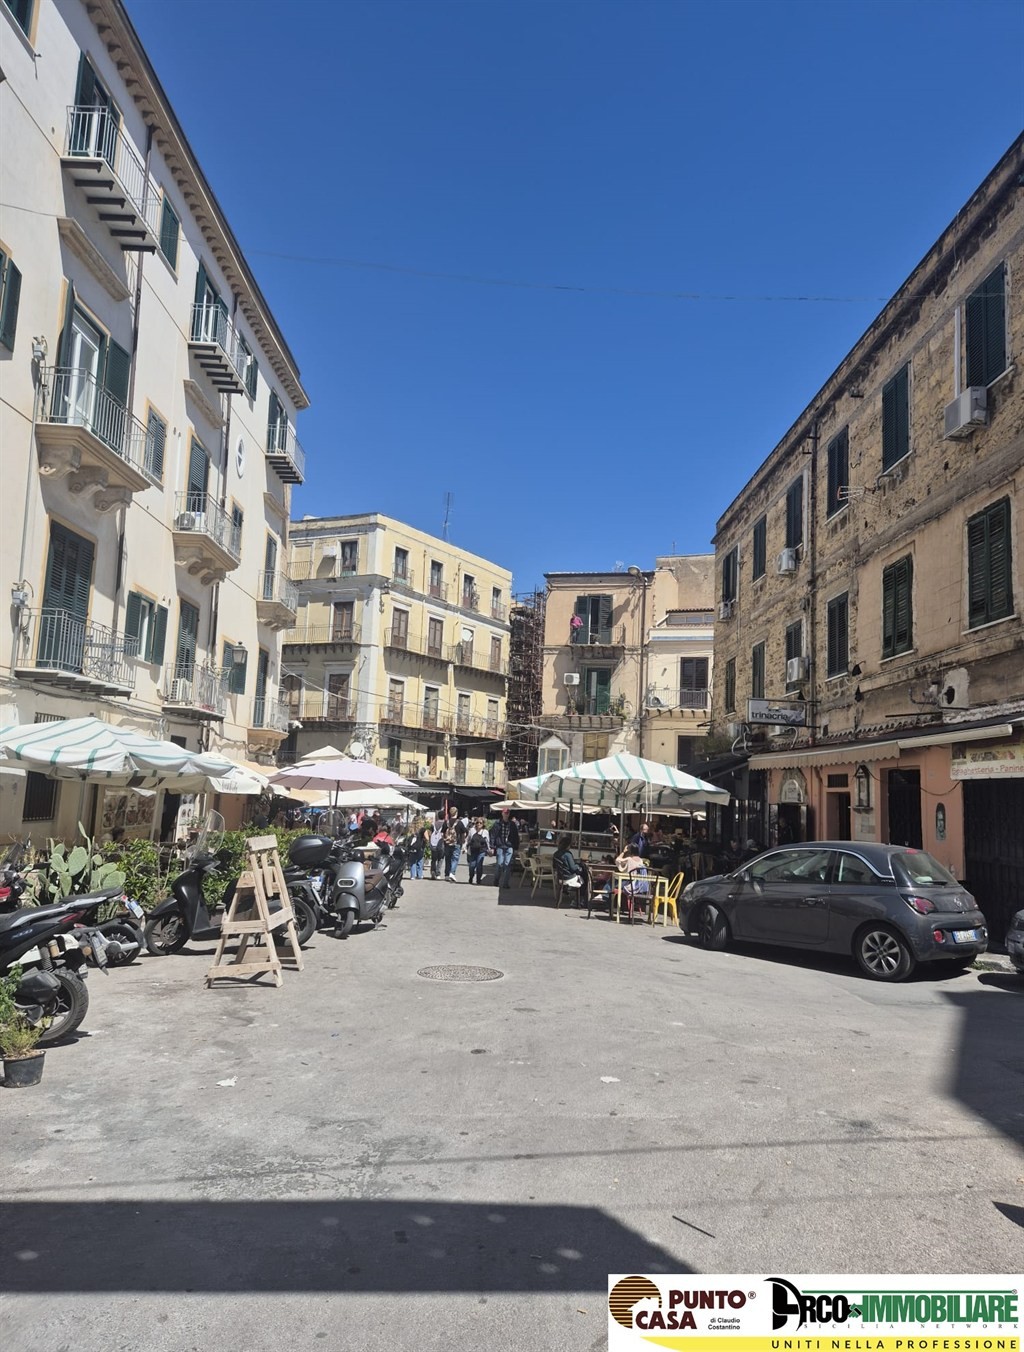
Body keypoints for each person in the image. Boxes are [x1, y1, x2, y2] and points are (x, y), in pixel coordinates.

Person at [490, 808, 520, 889]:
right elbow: (493, 835)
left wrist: (516, 847)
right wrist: (492, 846)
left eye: (507, 813)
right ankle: (496, 880)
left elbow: (516, 836)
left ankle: (505, 883)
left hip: (509, 846)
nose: (506, 814)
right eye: (505, 813)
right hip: (500, 846)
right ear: (502, 813)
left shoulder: (512, 824)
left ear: (509, 814)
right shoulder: (497, 823)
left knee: (507, 864)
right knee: (499, 864)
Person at [552, 834, 585, 904]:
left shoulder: (556, 854)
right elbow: (572, 868)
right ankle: (581, 899)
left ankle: (565, 891)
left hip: (560, 877)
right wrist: (578, 866)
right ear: (568, 845)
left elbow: (554, 866)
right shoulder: (568, 854)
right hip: (569, 877)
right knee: (584, 876)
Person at [443, 808, 467, 881]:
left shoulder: (446, 822)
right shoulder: (459, 822)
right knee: (455, 859)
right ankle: (452, 873)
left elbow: (443, 833)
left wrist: (445, 840)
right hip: (456, 843)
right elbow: (464, 833)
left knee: (447, 859)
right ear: (456, 812)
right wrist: (463, 842)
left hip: (447, 843)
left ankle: (447, 874)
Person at [466, 818, 490, 885]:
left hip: (481, 851)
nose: (478, 824)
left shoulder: (485, 832)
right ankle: (471, 877)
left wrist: (489, 849)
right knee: (472, 866)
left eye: (480, 823)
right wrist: (465, 847)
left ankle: (478, 879)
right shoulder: (472, 830)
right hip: (473, 851)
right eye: (477, 823)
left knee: (479, 865)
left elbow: (487, 841)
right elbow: (468, 839)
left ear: (483, 824)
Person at [429, 815, 445, 879]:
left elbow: (429, 833)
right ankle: (438, 873)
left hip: (433, 843)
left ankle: (433, 871)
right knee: (440, 859)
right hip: (441, 843)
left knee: (433, 859)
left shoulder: (433, 824)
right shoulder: (445, 824)